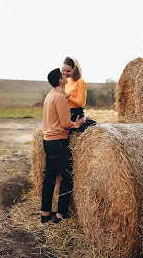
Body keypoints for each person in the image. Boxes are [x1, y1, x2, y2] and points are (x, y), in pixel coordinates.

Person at [41, 68, 85, 224]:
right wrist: (77, 123)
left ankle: (45, 214)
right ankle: (60, 215)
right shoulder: (59, 98)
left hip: (48, 140)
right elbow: (66, 124)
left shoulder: (50, 95)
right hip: (58, 142)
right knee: (67, 176)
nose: (66, 76)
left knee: (50, 178)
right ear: (60, 81)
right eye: (63, 75)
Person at [61, 56, 96, 132]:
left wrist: (67, 96)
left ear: (75, 70)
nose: (65, 73)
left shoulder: (80, 82)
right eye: (63, 70)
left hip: (76, 113)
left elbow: (81, 103)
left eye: (68, 71)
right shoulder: (67, 81)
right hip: (66, 112)